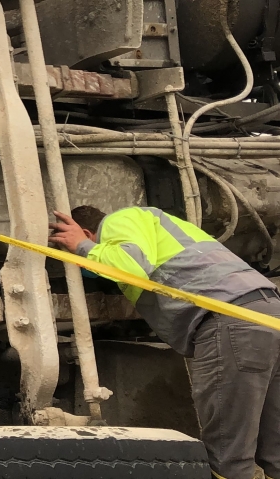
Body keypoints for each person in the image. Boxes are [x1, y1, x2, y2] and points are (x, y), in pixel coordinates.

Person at [50, 205, 280, 479]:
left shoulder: (119, 221)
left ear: (88, 231)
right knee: (276, 447)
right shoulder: (163, 224)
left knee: (228, 453)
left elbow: (131, 265)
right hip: (268, 312)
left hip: (230, 322)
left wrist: (83, 247)